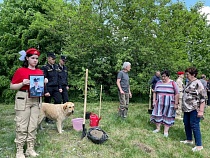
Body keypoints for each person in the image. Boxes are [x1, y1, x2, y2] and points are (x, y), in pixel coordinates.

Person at [10, 48, 47, 158]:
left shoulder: (40, 72)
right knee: (22, 125)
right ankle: (20, 150)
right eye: (33, 58)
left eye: (37, 58)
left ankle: (30, 148)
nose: (35, 60)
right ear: (27, 58)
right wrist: (22, 83)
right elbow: (12, 86)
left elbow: (39, 87)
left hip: (36, 99)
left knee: (33, 125)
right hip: (24, 98)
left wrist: (44, 82)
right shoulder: (21, 71)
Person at [180, 67, 206, 152]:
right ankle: (189, 140)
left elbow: (203, 98)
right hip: (186, 109)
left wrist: (201, 111)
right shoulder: (189, 82)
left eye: (187, 74)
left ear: (193, 75)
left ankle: (199, 145)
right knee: (186, 123)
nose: (186, 76)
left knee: (194, 125)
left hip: (194, 109)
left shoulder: (198, 83)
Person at [150, 70, 179, 137]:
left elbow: (177, 93)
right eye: (162, 76)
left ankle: (166, 131)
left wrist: (176, 103)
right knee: (158, 115)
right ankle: (158, 128)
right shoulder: (158, 82)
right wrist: (154, 101)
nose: (163, 78)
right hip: (159, 102)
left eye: (164, 77)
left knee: (168, 116)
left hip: (169, 103)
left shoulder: (173, 83)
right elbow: (155, 92)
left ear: (168, 76)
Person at [41, 53, 62, 123]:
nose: (54, 60)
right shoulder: (44, 67)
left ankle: (55, 115)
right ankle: (47, 118)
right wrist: (45, 91)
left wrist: (60, 87)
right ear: (48, 58)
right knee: (48, 103)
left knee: (58, 101)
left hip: (55, 87)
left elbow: (58, 78)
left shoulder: (56, 67)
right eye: (52, 59)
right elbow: (43, 80)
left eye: (54, 59)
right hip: (48, 87)